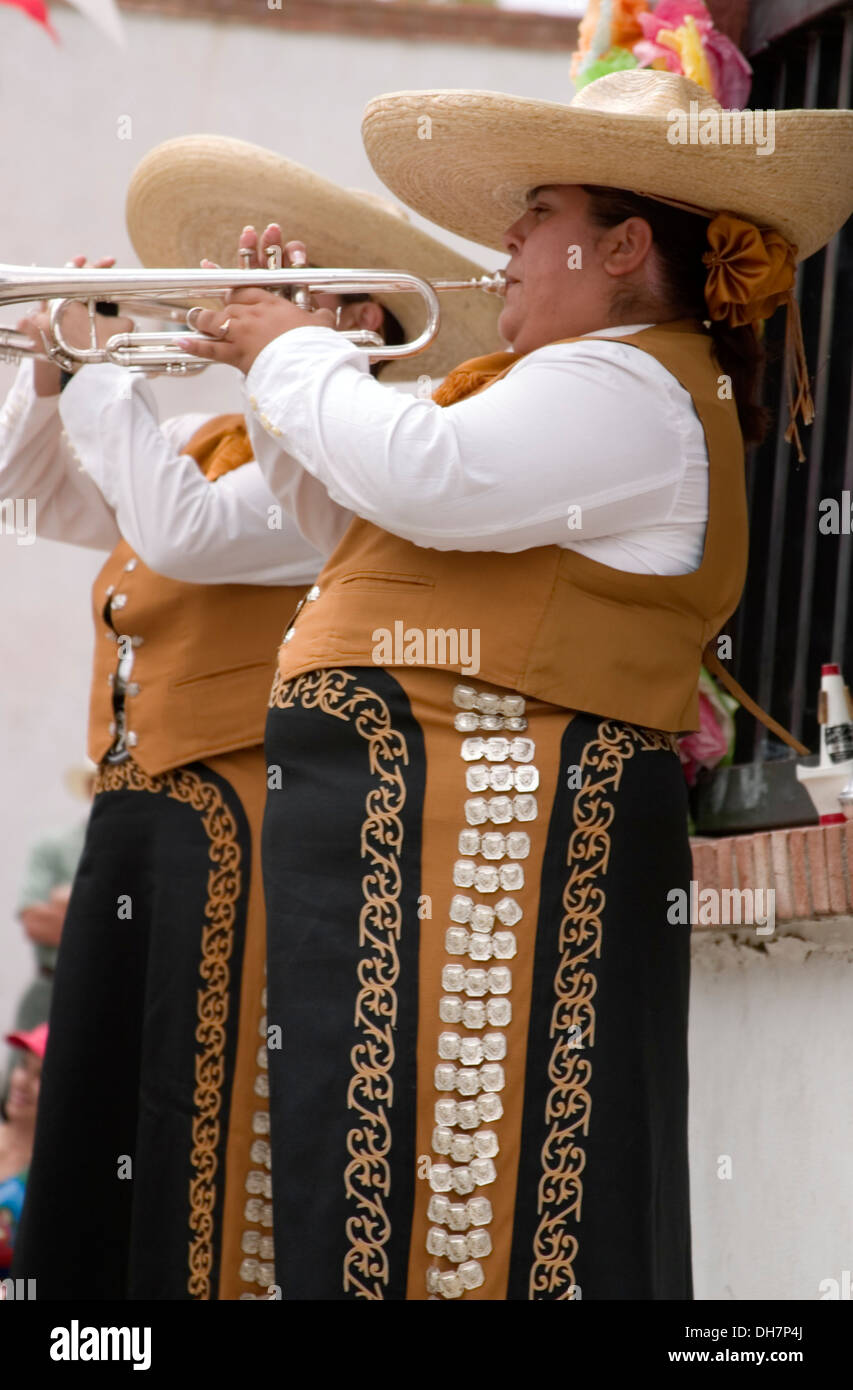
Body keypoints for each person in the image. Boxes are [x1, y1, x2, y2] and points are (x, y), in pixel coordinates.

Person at [177, 69, 853, 1299]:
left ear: (622, 246)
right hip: (418, 833)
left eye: (536, 210)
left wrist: (298, 356)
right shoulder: (568, 383)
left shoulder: (636, 381)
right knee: (372, 1176)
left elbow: (422, 472)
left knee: (477, 1184)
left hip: (489, 836)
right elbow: (357, 516)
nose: (506, 238)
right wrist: (289, 370)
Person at [6, 135, 501, 1301]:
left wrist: (100, 373)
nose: (249, 305)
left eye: (292, 290)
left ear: (364, 323)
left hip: (231, 807)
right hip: (140, 807)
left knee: (197, 1101)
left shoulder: (344, 463)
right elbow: (28, 494)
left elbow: (182, 535)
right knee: (102, 1086)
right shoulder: (208, 439)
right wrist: (51, 374)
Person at [0, 1025, 46, 1281]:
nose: (22, 1082)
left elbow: (36, 1284)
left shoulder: (46, 1176)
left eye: (39, 1075)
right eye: (23, 1066)